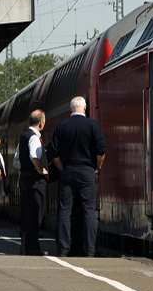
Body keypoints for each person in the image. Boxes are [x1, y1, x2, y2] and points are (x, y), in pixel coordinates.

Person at [46, 96, 106, 257]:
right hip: (87, 171)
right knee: (88, 211)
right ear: (84, 108)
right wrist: (97, 167)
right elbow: (101, 150)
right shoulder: (92, 125)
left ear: (71, 108)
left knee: (65, 210)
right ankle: (90, 250)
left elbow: (53, 152)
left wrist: (63, 166)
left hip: (68, 171)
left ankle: (64, 249)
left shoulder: (62, 126)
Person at [18, 109, 49, 256]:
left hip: (24, 178)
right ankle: (32, 247)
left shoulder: (24, 136)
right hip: (34, 180)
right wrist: (40, 169)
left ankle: (25, 246)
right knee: (35, 213)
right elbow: (34, 155)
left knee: (27, 213)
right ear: (41, 123)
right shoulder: (34, 137)